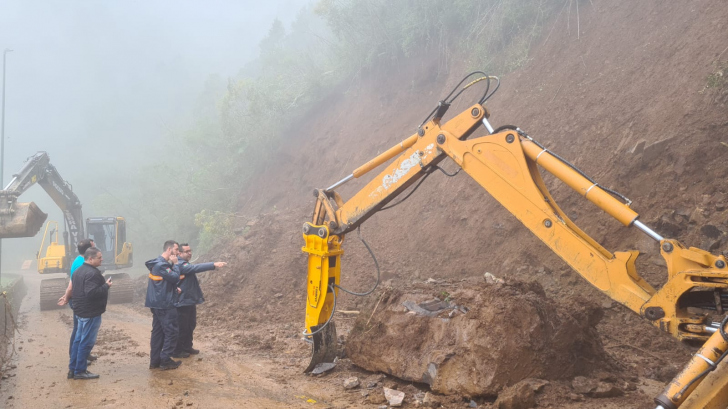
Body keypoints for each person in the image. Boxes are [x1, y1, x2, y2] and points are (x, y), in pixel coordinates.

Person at [172, 243, 227, 358]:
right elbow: (195, 268)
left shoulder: (185, 264)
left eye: (190, 250)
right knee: (182, 326)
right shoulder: (180, 265)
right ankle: (177, 350)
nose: (190, 253)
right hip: (182, 301)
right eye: (187, 251)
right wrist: (213, 264)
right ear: (180, 253)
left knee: (190, 325)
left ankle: (187, 346)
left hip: (189, 300)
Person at [68, 247, 112, 380]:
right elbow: (91, 293)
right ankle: (80, 371)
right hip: (90, 313)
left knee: (77, 340)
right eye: (99, 257)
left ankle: (72, 369)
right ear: (91, 258)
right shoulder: (93, 274)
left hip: (80, 311)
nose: (102, 259)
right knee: (86, 342)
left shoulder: (77, 272)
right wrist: (106, 286)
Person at [58, 239, 97, 365]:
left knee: (81, 329)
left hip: (78, 300)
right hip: (80, 301)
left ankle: (83, 354)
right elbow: (72, 285)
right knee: (79, 330)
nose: (96, 249)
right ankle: (75, 356)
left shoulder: (79, 260)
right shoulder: (81, 265)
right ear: (88, 251)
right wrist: (67, 297)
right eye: (93, 247)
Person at [145, 240, 182, 370]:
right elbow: (175, 277)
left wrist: (173, 289)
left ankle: (155, 360)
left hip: (158, 304)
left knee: (158, 333)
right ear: (169, 250)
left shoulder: (158, 264)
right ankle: (165, 360)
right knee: (171, 332)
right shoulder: (162, 265)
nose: (178, 252)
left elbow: (161, 283)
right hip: (165, 305)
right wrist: (176, 264)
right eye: (176, 250)